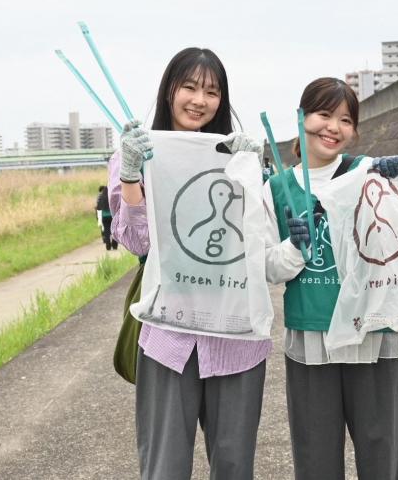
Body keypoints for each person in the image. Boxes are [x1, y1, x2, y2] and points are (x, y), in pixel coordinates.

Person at [107, 47, 268, 480]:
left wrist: (259, 173)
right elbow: (137, 241)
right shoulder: (135, 153)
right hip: (168, 333)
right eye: (190, 87)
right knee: (164, 467)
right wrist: (131, 175)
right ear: (169, 90)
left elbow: (262, 238)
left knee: (234, 466)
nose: (200, 100)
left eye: (212, 92)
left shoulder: (238, 155)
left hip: (236, 335)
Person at [264, 77, 398, 480]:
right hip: (312, 337)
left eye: (345, 120)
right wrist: (295, 248)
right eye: (324, 115)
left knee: (383, 453)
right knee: (315, 459)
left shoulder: (368, 173)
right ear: (300, 119)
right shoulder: (276, 188)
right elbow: (268, 268)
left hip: (372, 331)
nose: (334, 127)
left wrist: (395, 183)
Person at [95, 185, 117, 250]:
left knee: (107, 231)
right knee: (113, 230)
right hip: (112, 216)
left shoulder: (101, 197)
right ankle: (114, 244)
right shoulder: (112, 196)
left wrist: (98, 218)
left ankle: (108, 245)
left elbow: (98, 208)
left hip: (104, 217)